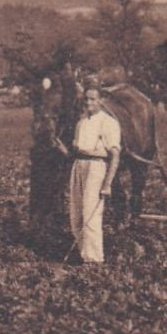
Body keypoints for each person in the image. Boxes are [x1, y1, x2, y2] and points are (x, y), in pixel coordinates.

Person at [67, 88, 121, 263]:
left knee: (91, 214)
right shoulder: (81, 123)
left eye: (93, 99)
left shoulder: (109, 123)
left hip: (96, 167)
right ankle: (84, 255)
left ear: (101, 100)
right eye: (86, 100)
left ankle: (94, 261)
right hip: (79, 166)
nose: (89, 103)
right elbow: (76, 149)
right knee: (76, 216)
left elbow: (115, 155)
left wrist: (107, 184)